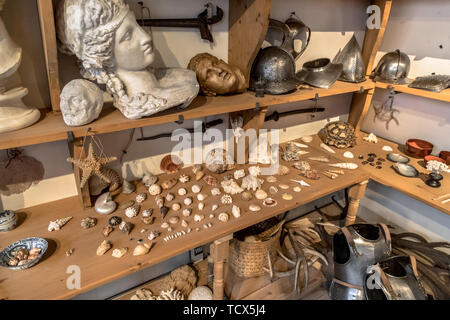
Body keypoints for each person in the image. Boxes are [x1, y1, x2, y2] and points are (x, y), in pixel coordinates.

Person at [57, 0, 199, 120]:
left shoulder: (185, 78)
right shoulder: (138, 102)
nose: (145, 37)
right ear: (103, 57)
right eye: (127, 36)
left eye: (136, 24)